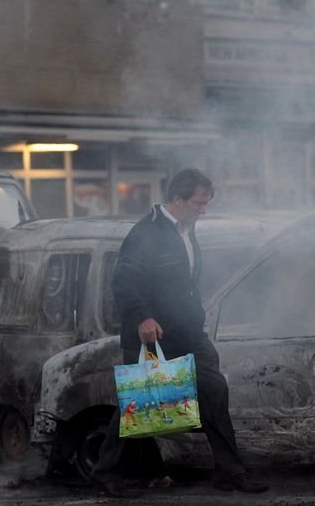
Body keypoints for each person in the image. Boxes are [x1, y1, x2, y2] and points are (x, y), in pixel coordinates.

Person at [91, 168, 268, 498]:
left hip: (188, 332)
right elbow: (124, 283)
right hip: (152, 334)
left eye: (206, 203)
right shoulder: (147, 232)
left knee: (215, 390)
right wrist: (143, 317)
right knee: (138, 402)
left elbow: (184, 282)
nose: (204, 210)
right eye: (199, 203)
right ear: (177, 199)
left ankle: (230, 472)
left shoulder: (187, 230)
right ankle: (106, 472)